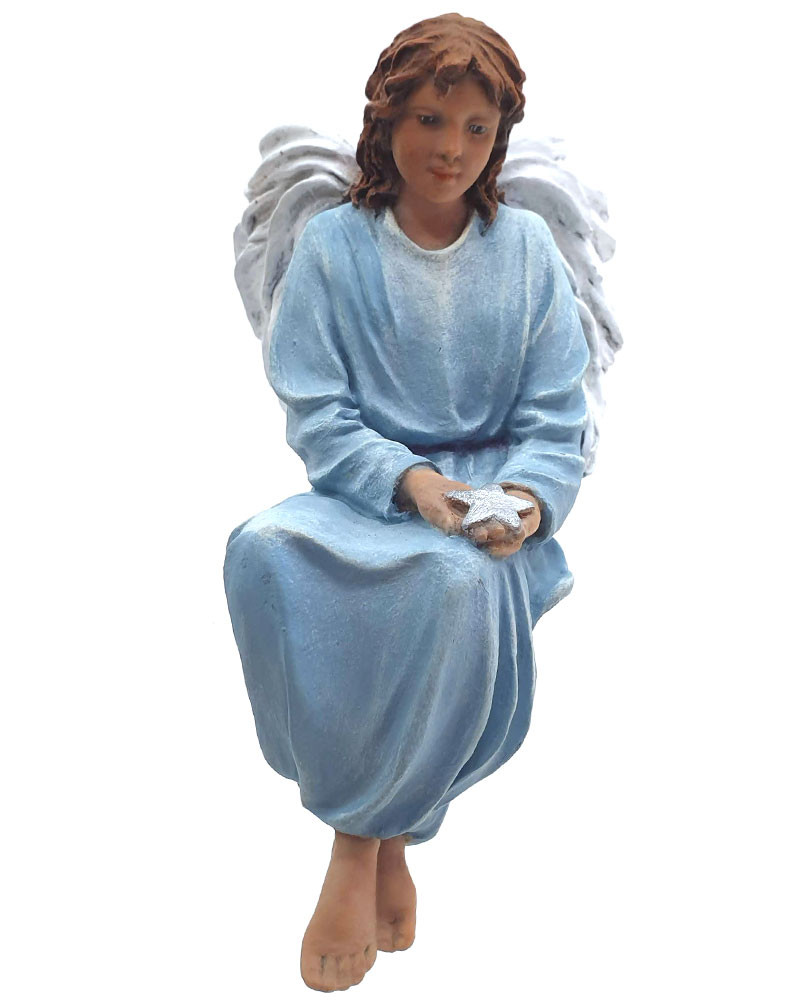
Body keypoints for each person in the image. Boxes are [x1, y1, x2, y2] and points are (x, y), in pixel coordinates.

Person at [223, 13, 591, 992]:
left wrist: (524, 499)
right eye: (430, 119)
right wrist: (409, 482)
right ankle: (378, 822)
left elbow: (557, 413)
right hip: (368, 488)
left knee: (449, 587)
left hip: (484, 496)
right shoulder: (335, 247)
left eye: (475, 129)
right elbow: (317, 406)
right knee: (260, 549)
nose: (450, 149)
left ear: (498, 140)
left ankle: (356, 844)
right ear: (385, 121)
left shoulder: (525, 251)